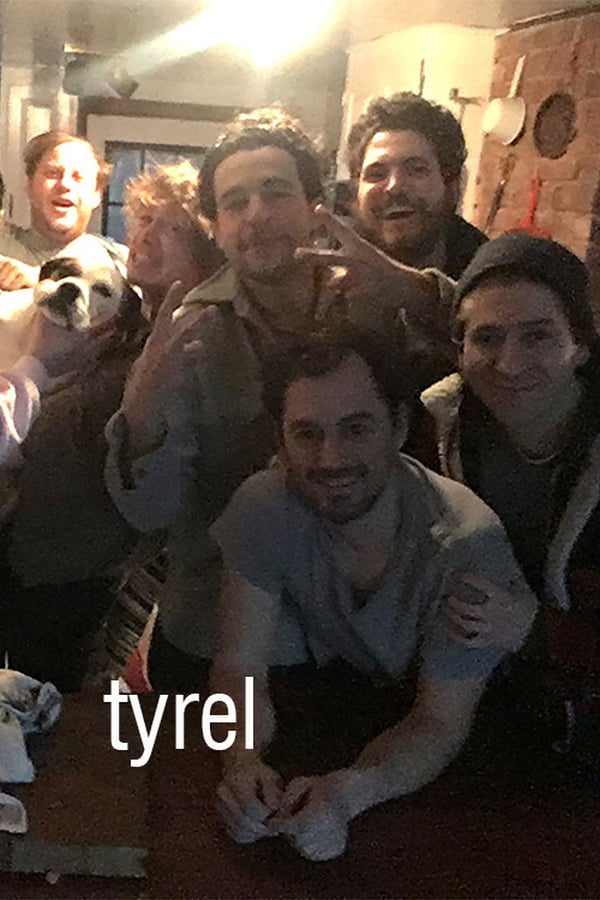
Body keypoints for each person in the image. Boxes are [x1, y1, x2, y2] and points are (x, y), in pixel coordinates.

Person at [105, 106, 452, 692]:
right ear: (214, 226)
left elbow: (497, 356)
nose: (257, 215)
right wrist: (139, 418)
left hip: (355, 635)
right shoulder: (191, 333)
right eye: (235, 202)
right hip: (212, 630)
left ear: (316, 207)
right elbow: (152, 513)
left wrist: (414, 294)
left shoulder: (375, 300)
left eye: (276, 192)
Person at [209, 329, 536, 862]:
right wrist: (240, 762)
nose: (330, 459)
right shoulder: (262, 507)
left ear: (399, 428)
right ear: (280, 442)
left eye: (356, 429)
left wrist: (351, 793)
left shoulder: (467, 545)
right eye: (307, 434)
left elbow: (440, 722)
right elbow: (239, 666)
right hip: (335, 717)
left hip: (474, 768)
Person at [419, 232, 600, 766]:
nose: (509, 362)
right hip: (473, 712)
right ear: (460, 351)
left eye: (538, 336)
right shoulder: (436, 429)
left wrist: (538, 631)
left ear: (580, 346)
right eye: (487, 338)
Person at [347, 93, 487, 279]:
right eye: (376, 174)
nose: (394, 186)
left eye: (416, 169)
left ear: (451, 186)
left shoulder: (491, 280)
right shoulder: (328, 277)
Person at [0, 131, 119, 291]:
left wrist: (42, 280)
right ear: (29, 187)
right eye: (52, 173)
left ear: (97, 195)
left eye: (78, 177)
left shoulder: (118, 263)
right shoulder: (4, 243)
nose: (65, 185)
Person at [124, 159, 224, 321]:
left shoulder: (213, 327)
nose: (147, 235)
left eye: (172, 228)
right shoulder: (117, 320)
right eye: (146, 219)